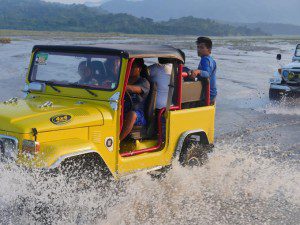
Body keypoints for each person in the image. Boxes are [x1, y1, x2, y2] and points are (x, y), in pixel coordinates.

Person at [120, 59, 150, 141]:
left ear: (139, 69)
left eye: (133, 67)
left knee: (132, 114)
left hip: (138, 114)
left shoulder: (144, 82)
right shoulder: (123, 80)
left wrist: (119, 87)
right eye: (128, 66)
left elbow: (135, 89)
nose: (129, 69)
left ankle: (118, 141)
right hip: (122, 110)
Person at [188, 37, 217, 105]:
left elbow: (207, 73)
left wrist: (198, 71)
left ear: (209, 49)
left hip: (208, 95)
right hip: (210, 94)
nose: (199, 50)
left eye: (202, 47)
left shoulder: (206, 59)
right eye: (198, 47)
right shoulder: (210, 59)